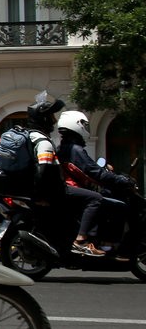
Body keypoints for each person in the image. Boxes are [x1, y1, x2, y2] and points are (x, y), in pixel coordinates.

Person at [23, 97, 105, 256]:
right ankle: (80, 241)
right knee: (95, 198)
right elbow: (43, 170)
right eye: (51, 117)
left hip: (51, 189)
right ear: (43, 119)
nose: (54, 122)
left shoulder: (33, 136)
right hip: (55, 190)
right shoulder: (43, 142)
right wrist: (40, 196)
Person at [56, 110, 136, 249]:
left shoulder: (64, 147)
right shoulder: (75, 149)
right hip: (72, 187)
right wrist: (120, 180)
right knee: (116, 205)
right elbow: (95, 173)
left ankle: (97, 239)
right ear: (77, 125)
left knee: (105, 198)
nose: (86, 129)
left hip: (71, 187)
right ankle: (100, 243)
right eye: (84, 125)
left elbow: (88, 169)